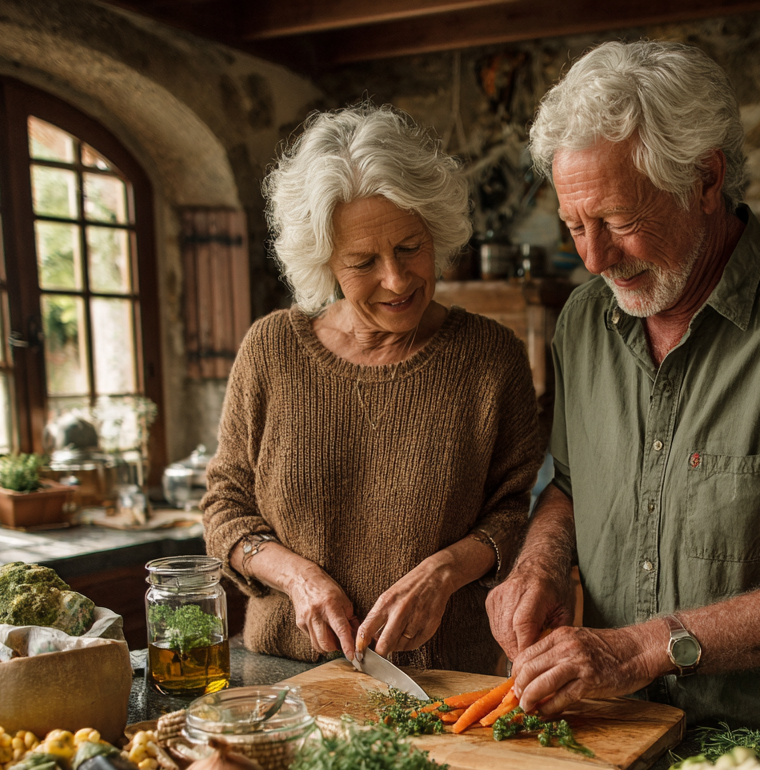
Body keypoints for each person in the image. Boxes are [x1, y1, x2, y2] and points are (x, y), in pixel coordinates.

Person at [487, 41, 760, 735]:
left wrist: (642, 647)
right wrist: (540, 563)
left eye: (619, 222)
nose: (594, 257)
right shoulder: (582, 322)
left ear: (705, 179)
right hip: (615, 737)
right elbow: (571, 484)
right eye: (576, 226)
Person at [203, 104, 542, 673]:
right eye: (363, 261)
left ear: (435, 229)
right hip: (287, 669)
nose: (396, 278)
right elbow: (224, 506)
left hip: (446, 678)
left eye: (411, 247)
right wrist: (298, 578)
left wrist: (446, 572)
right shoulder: (271, 350)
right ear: (325, 263)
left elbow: (517, 513)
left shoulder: (490, 356)